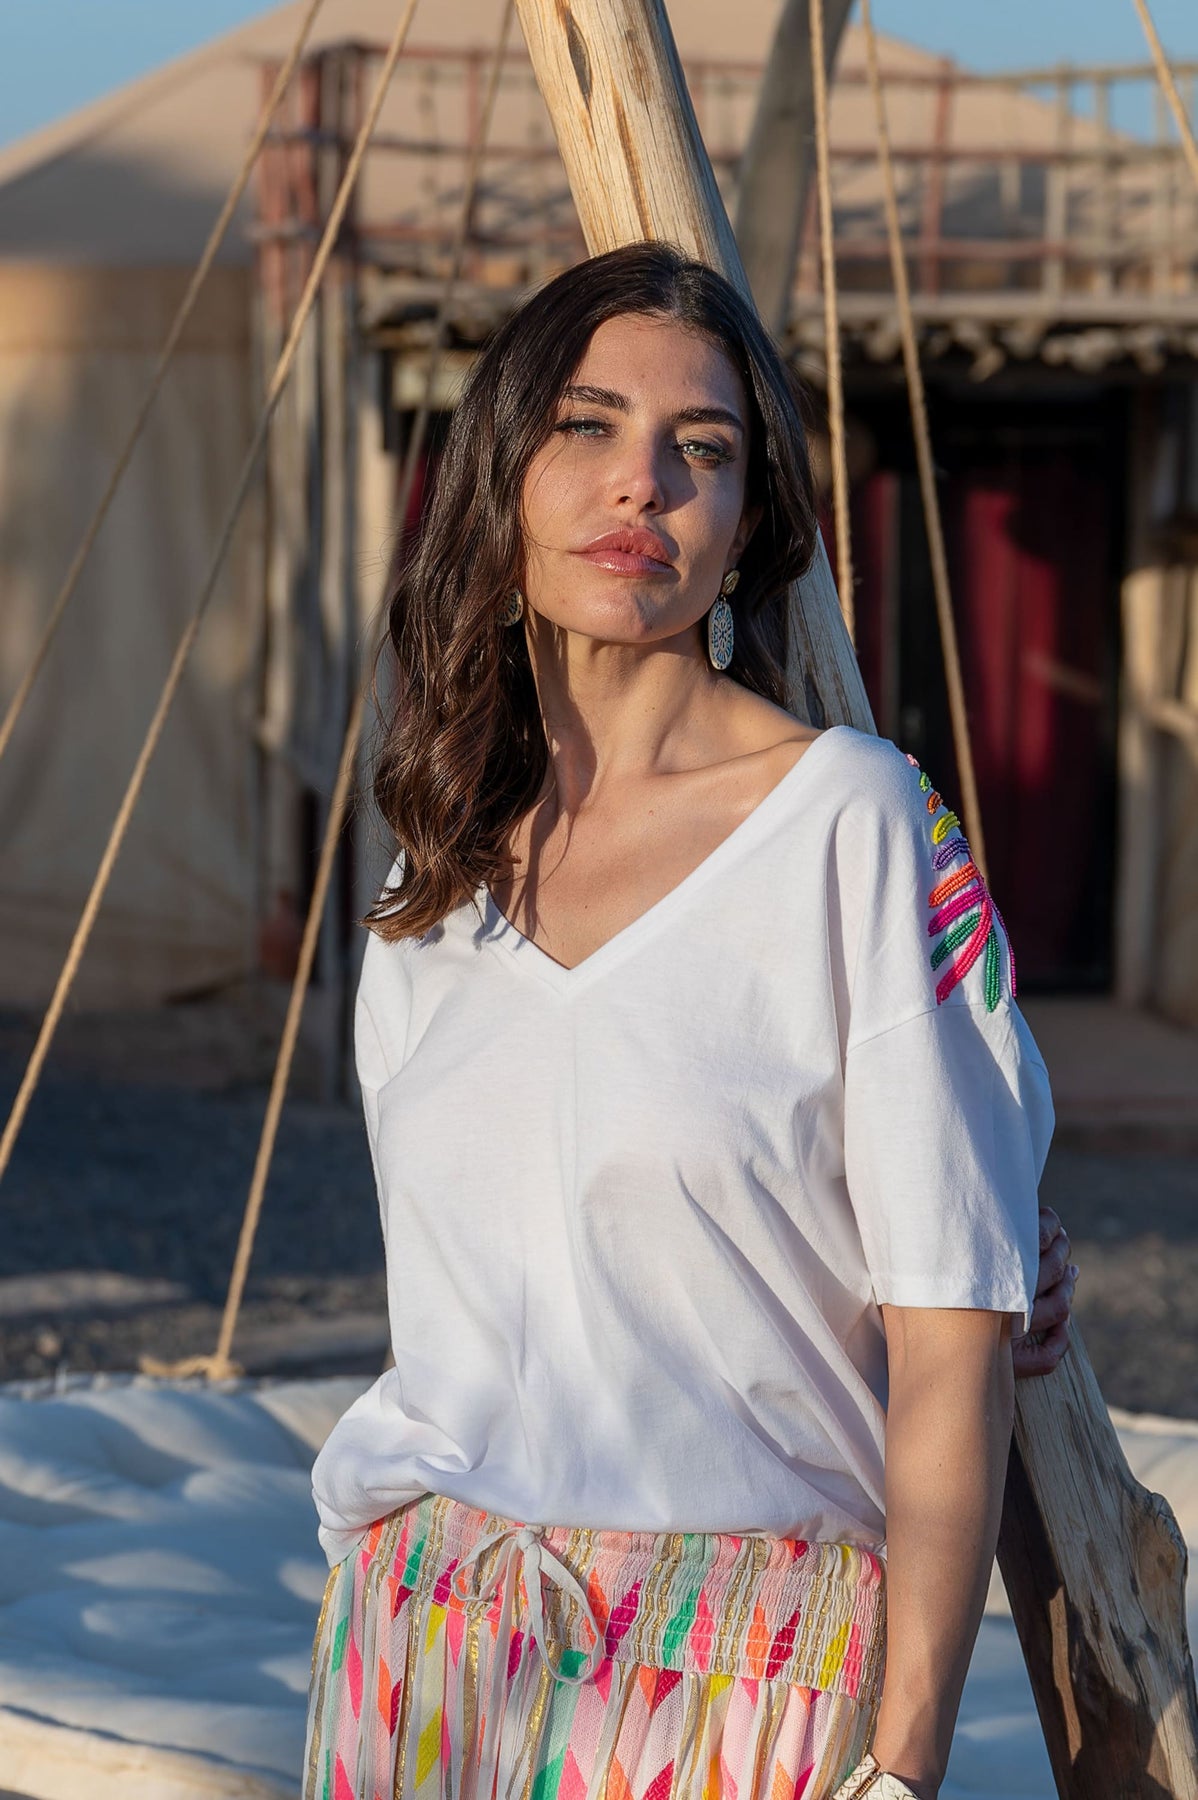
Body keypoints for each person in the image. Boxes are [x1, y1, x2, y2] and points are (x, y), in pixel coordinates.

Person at [304, 243, 1075, 1800]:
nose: (639, 484)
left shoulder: (855, 828)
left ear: (746, 527)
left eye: (700, 450)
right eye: (585, 425)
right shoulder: (428, 880)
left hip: (741, 1681)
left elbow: (951, 1334)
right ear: (500, 474)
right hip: (420, 1655)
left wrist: (901, 1768)